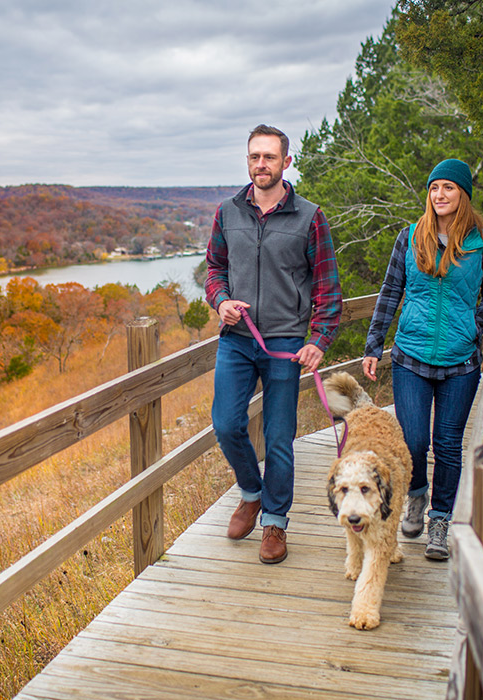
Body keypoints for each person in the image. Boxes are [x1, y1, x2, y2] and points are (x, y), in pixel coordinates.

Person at [205, 124, 343, 564]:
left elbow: (328, 287)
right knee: (226, 424)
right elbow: (214, 270)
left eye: (268, 157)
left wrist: (319, 339)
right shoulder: (228, 212)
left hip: (285, 341)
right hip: (237, 339)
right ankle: (251, 494)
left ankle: (276, 522)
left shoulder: (310, 217)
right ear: (247, 161)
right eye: (254, 157)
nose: (260, 164)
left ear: (286, 161)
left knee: (279, 437)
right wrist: (221, 301)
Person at [361, 158, 483, 561]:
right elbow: (391, 291)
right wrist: (374, 344)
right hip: (412, 355)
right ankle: (417, 495)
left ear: (463, 194)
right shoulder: (409, 237)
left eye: (449, 188)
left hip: (460, 362)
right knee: (414, 440)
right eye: (434, 188)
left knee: (447, 444)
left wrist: (473, 326)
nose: (440, 195)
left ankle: (440, 520)